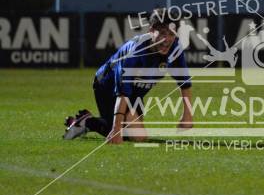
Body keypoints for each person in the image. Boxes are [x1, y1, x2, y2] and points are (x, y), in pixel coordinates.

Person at [63, 8, 193, 144]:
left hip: (135, 94)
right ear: (151, 31)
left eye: (172, 34)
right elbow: (122, 93)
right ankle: (88, 122)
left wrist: (187, 115)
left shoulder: (175, 50)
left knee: (137, 136)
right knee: (125, 135)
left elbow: (185, 83)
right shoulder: (136, 52)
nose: (167, 40)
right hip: (107, 87)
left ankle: (97, 123)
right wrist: (115, 129)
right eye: (162, 33)